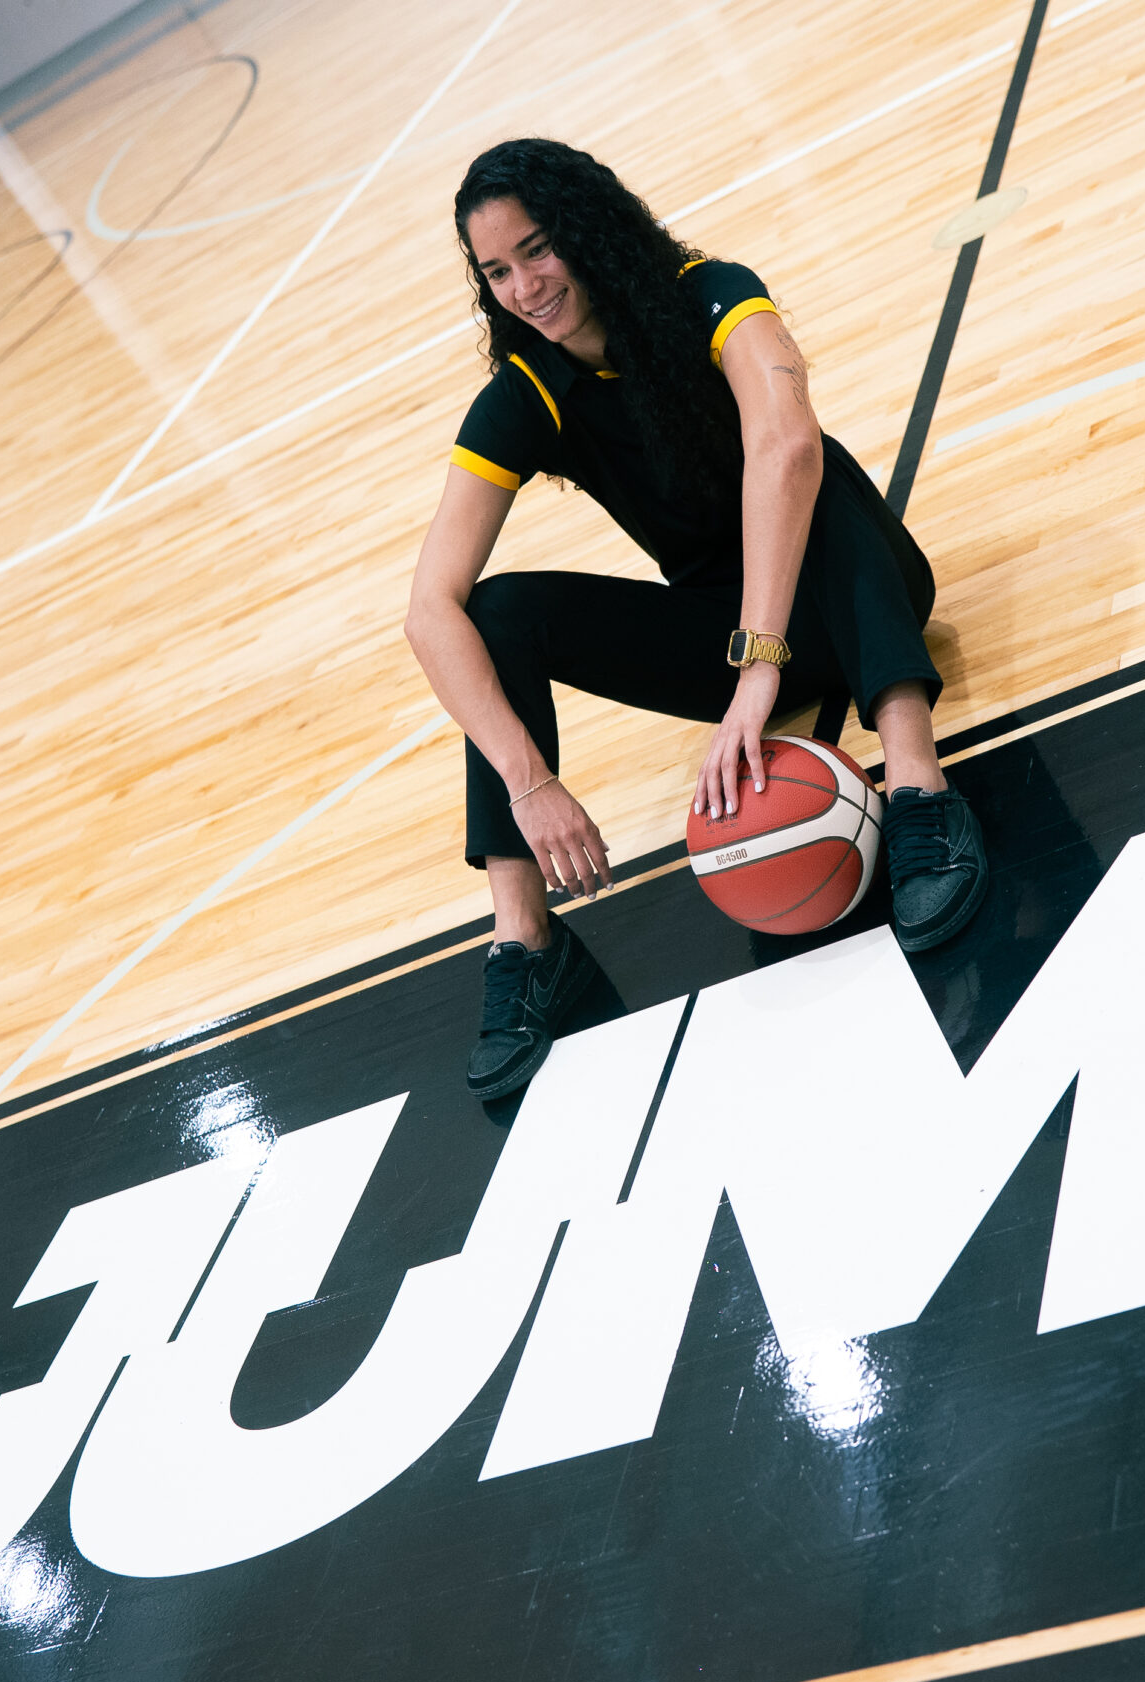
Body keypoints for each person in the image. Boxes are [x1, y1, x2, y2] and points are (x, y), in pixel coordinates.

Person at [406, 138, 989, 1097]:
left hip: (854, 590)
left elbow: (784, 444)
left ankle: (921, 791)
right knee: (497, 611)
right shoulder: (528, 393)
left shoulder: (712, 294)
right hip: (724, 634)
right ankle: (525, 937)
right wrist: (528, 783)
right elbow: (429, 611)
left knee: (811, 466)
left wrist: (759, 669)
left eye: (538, 249)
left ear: (589, 228)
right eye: (497, 271)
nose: (524, 287)